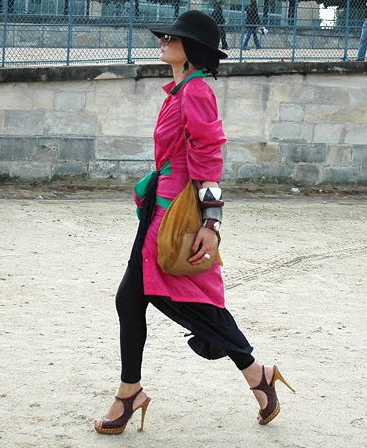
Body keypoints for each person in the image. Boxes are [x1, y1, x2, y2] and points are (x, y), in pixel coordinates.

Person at [93, 9, 294, 435]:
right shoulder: (181, 90)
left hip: (176, 217)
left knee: (187, 302)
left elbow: (208, 157)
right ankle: (136, 391)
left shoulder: (197, 91)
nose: (162, 41)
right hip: (160, 209)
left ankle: (253, 372)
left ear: (192, 48)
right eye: (165, 36)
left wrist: (211, 222)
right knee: (132, 298)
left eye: (172, 37)